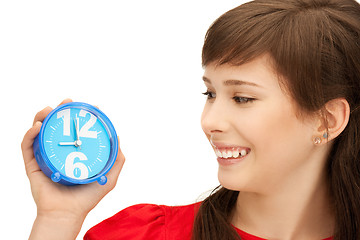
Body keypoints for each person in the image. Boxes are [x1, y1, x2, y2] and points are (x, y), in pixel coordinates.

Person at [21, 0, 360, 239]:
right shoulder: (144, 235)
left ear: (326, 120)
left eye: (242, 98)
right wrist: (57, 220)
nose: (209, 121)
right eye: (210, 94)